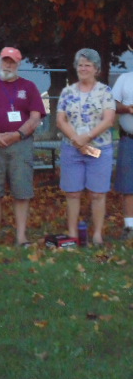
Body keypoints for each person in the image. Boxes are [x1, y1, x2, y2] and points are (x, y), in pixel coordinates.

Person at [0, 47, 46, 247]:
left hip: (20, 145)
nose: (8, 65)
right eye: (5, 60)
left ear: (19, 64)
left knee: (22, 191)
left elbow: (36, 116)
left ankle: (21, 237)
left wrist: (17, 134)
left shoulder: (29, 87)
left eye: (12, 61)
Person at [56, 48, 115, 246]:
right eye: (80, 65)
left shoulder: (105, 92)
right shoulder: (67, 92)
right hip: (72, 149)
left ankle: (97, 234)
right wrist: (75, 138)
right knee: (72, 193)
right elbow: (60, 120)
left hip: (99, 150)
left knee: (98, 194)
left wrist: (87, 137)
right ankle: (72, 234)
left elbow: (108, 120)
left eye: (87, 65)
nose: (83, 68)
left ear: (96, 69)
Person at [112, 69, 133, 241]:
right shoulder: (125, 79)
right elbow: (113, 104)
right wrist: (127, 108)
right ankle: (130, 227)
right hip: (129, 139)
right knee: (128, 186)